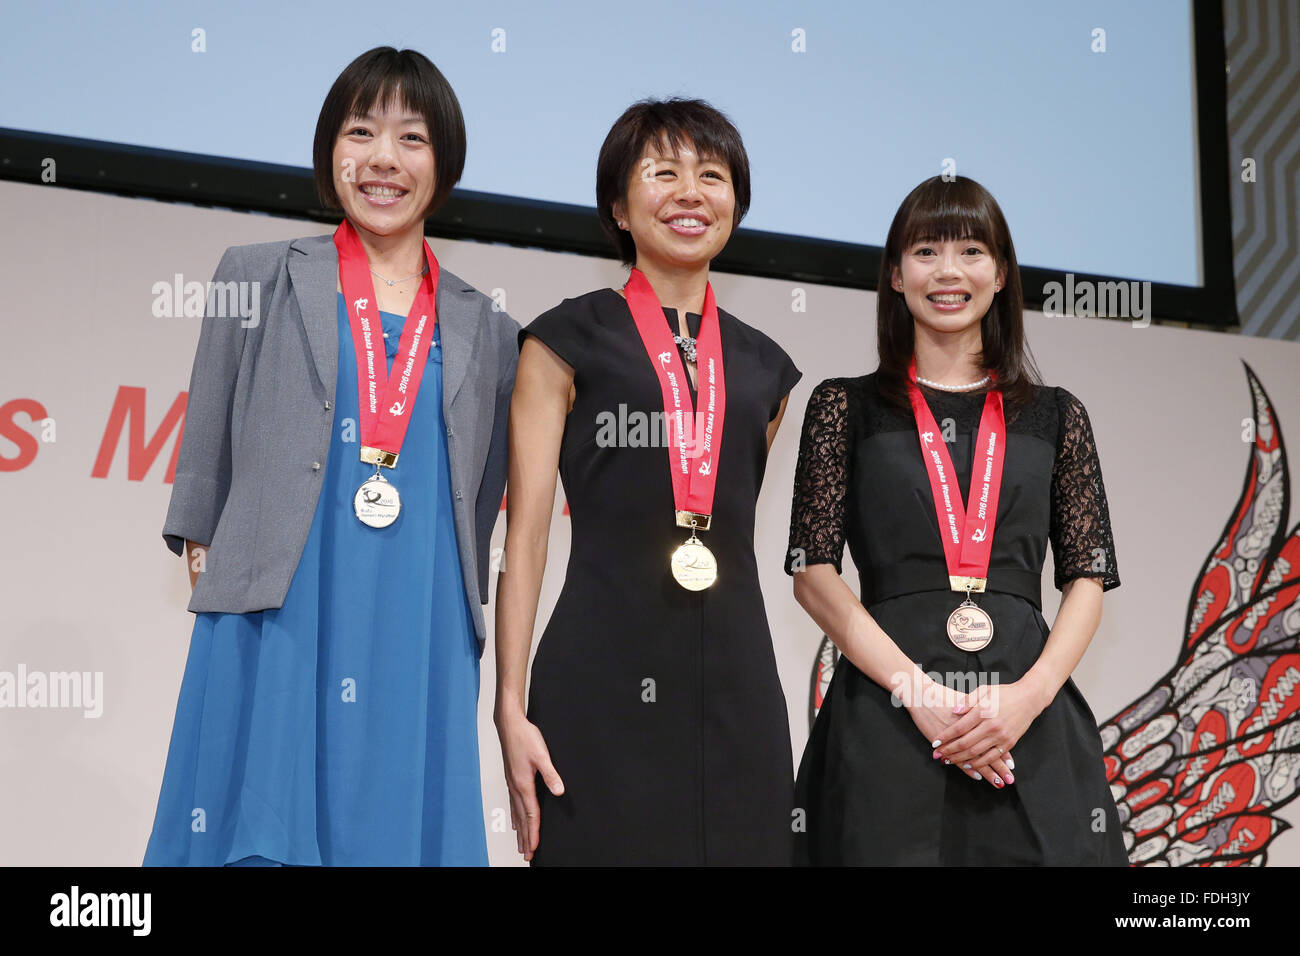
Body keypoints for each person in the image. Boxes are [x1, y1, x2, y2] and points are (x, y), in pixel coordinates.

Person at [144, 47, 519, 866]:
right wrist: (203, 541)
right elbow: (208, 435)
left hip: (416, 615)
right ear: (330, 153)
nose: (384, 159)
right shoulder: (257, 276)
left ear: (443, 163)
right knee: (259, 824)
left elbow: (481, 493)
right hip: (280, 600)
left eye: (412, 138)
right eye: (361, 132)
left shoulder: (488, 330)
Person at [785, 175, 1128, 866]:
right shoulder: (842, 407)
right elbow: (813, 573)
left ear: (1001, 274)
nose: (948, 271)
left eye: (971, 250)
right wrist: (918, 692)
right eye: (925, 251)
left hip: (1026, 722)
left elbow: (1088, 579)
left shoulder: (1057, 413)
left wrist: (1028, 700)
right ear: (895, 272)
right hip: (887, 712)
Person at [495, 98, 802, 865]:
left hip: (737, 683)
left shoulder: (767, 369)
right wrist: (509, 706)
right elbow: (527, 538)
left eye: (712, 175)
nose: (690, 193)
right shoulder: (566, 339)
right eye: (662, 174)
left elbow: (728, 521)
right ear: (619, 208)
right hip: (597, 676)